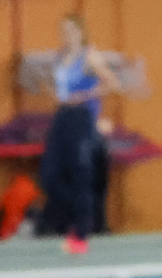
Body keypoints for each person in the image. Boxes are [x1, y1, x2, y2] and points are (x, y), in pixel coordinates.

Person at [38, 15, 115, 242]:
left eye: (71, 31)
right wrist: (51, 91)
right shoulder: (60, 57)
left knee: (81, 173)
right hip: (63, 115)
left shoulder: (89, 55)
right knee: (50, 174)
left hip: (82, 116)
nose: (66, 35)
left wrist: (84, 95)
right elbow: (60, 88)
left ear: (81, 33)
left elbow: (111, 83)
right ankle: (69, 216)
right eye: (63, 31)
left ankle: (83, 226)